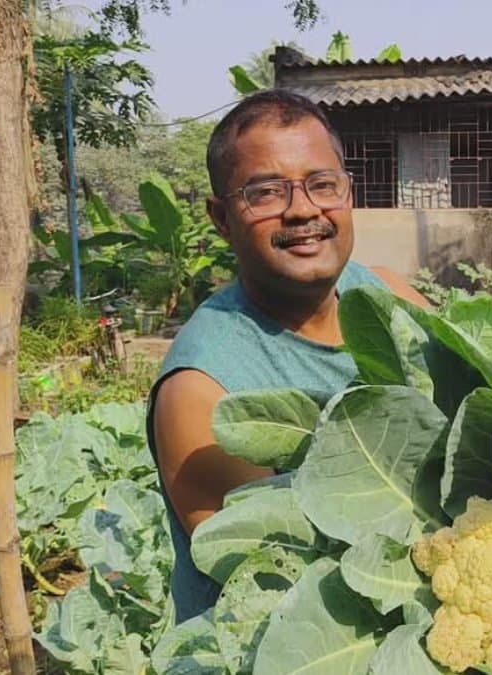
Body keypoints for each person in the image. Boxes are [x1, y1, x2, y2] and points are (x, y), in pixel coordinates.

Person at [147, 90, 429, 622]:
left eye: (323, 185)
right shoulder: (203, 391)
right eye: (266, 192)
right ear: (221, 218)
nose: (303, 210)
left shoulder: (393, 299)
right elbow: (283, 585)